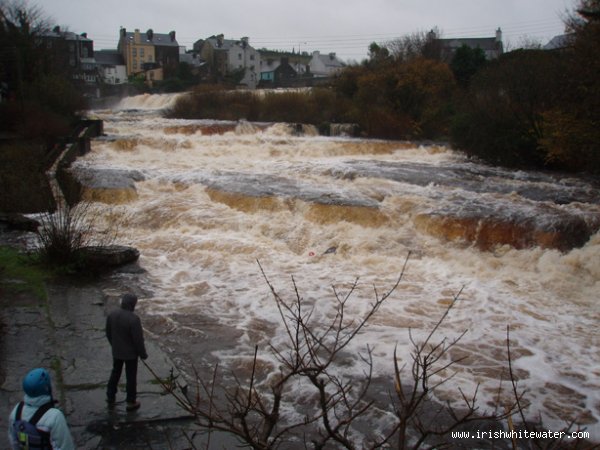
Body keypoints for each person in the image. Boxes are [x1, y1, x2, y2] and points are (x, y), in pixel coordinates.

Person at [8, 367, 75, 450]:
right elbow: (65, 447)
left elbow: (14, 441)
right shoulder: (55, 416)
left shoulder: (16, 411)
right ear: (47, 388)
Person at [106, 292, 148, 411]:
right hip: (131, 355)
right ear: (132, 305)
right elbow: (138, 340)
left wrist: (114, 345)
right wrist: (143, 354)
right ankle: (131, 401)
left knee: (115, 373)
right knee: (131, 377)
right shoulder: (134, 319)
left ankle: (110, 396)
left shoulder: (112, 315)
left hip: (117, 351)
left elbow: (108, 333)